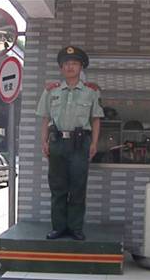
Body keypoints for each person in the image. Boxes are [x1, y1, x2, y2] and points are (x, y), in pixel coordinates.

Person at [36, 46, 104, 241]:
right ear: (61, 67)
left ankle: (75, 228)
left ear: (81, 67)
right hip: (57, 142)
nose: (70, 67)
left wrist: (94, 144)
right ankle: (58, 227)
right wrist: (44, 141)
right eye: (66, 64)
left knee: (77, 188)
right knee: (58, 187)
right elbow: (45, 118)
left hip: (80, 143)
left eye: (74, 63)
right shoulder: (51, 91)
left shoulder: (91, 92)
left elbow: (96, 119)